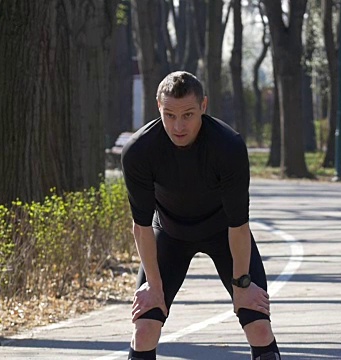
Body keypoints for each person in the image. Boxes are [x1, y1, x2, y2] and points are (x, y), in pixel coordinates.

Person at [120, 71, 281, 360]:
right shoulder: (139, 151)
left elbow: (238, 225)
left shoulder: (228, 146)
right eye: (169, 115)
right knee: (144, 329)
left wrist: (242, 285)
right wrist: (154, 288)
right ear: (158, 107)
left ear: (203, 106)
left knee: (258, 325)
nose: (178, 126)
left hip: (224, 234)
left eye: (188, 115)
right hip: (169, 234)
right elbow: (141, 227)